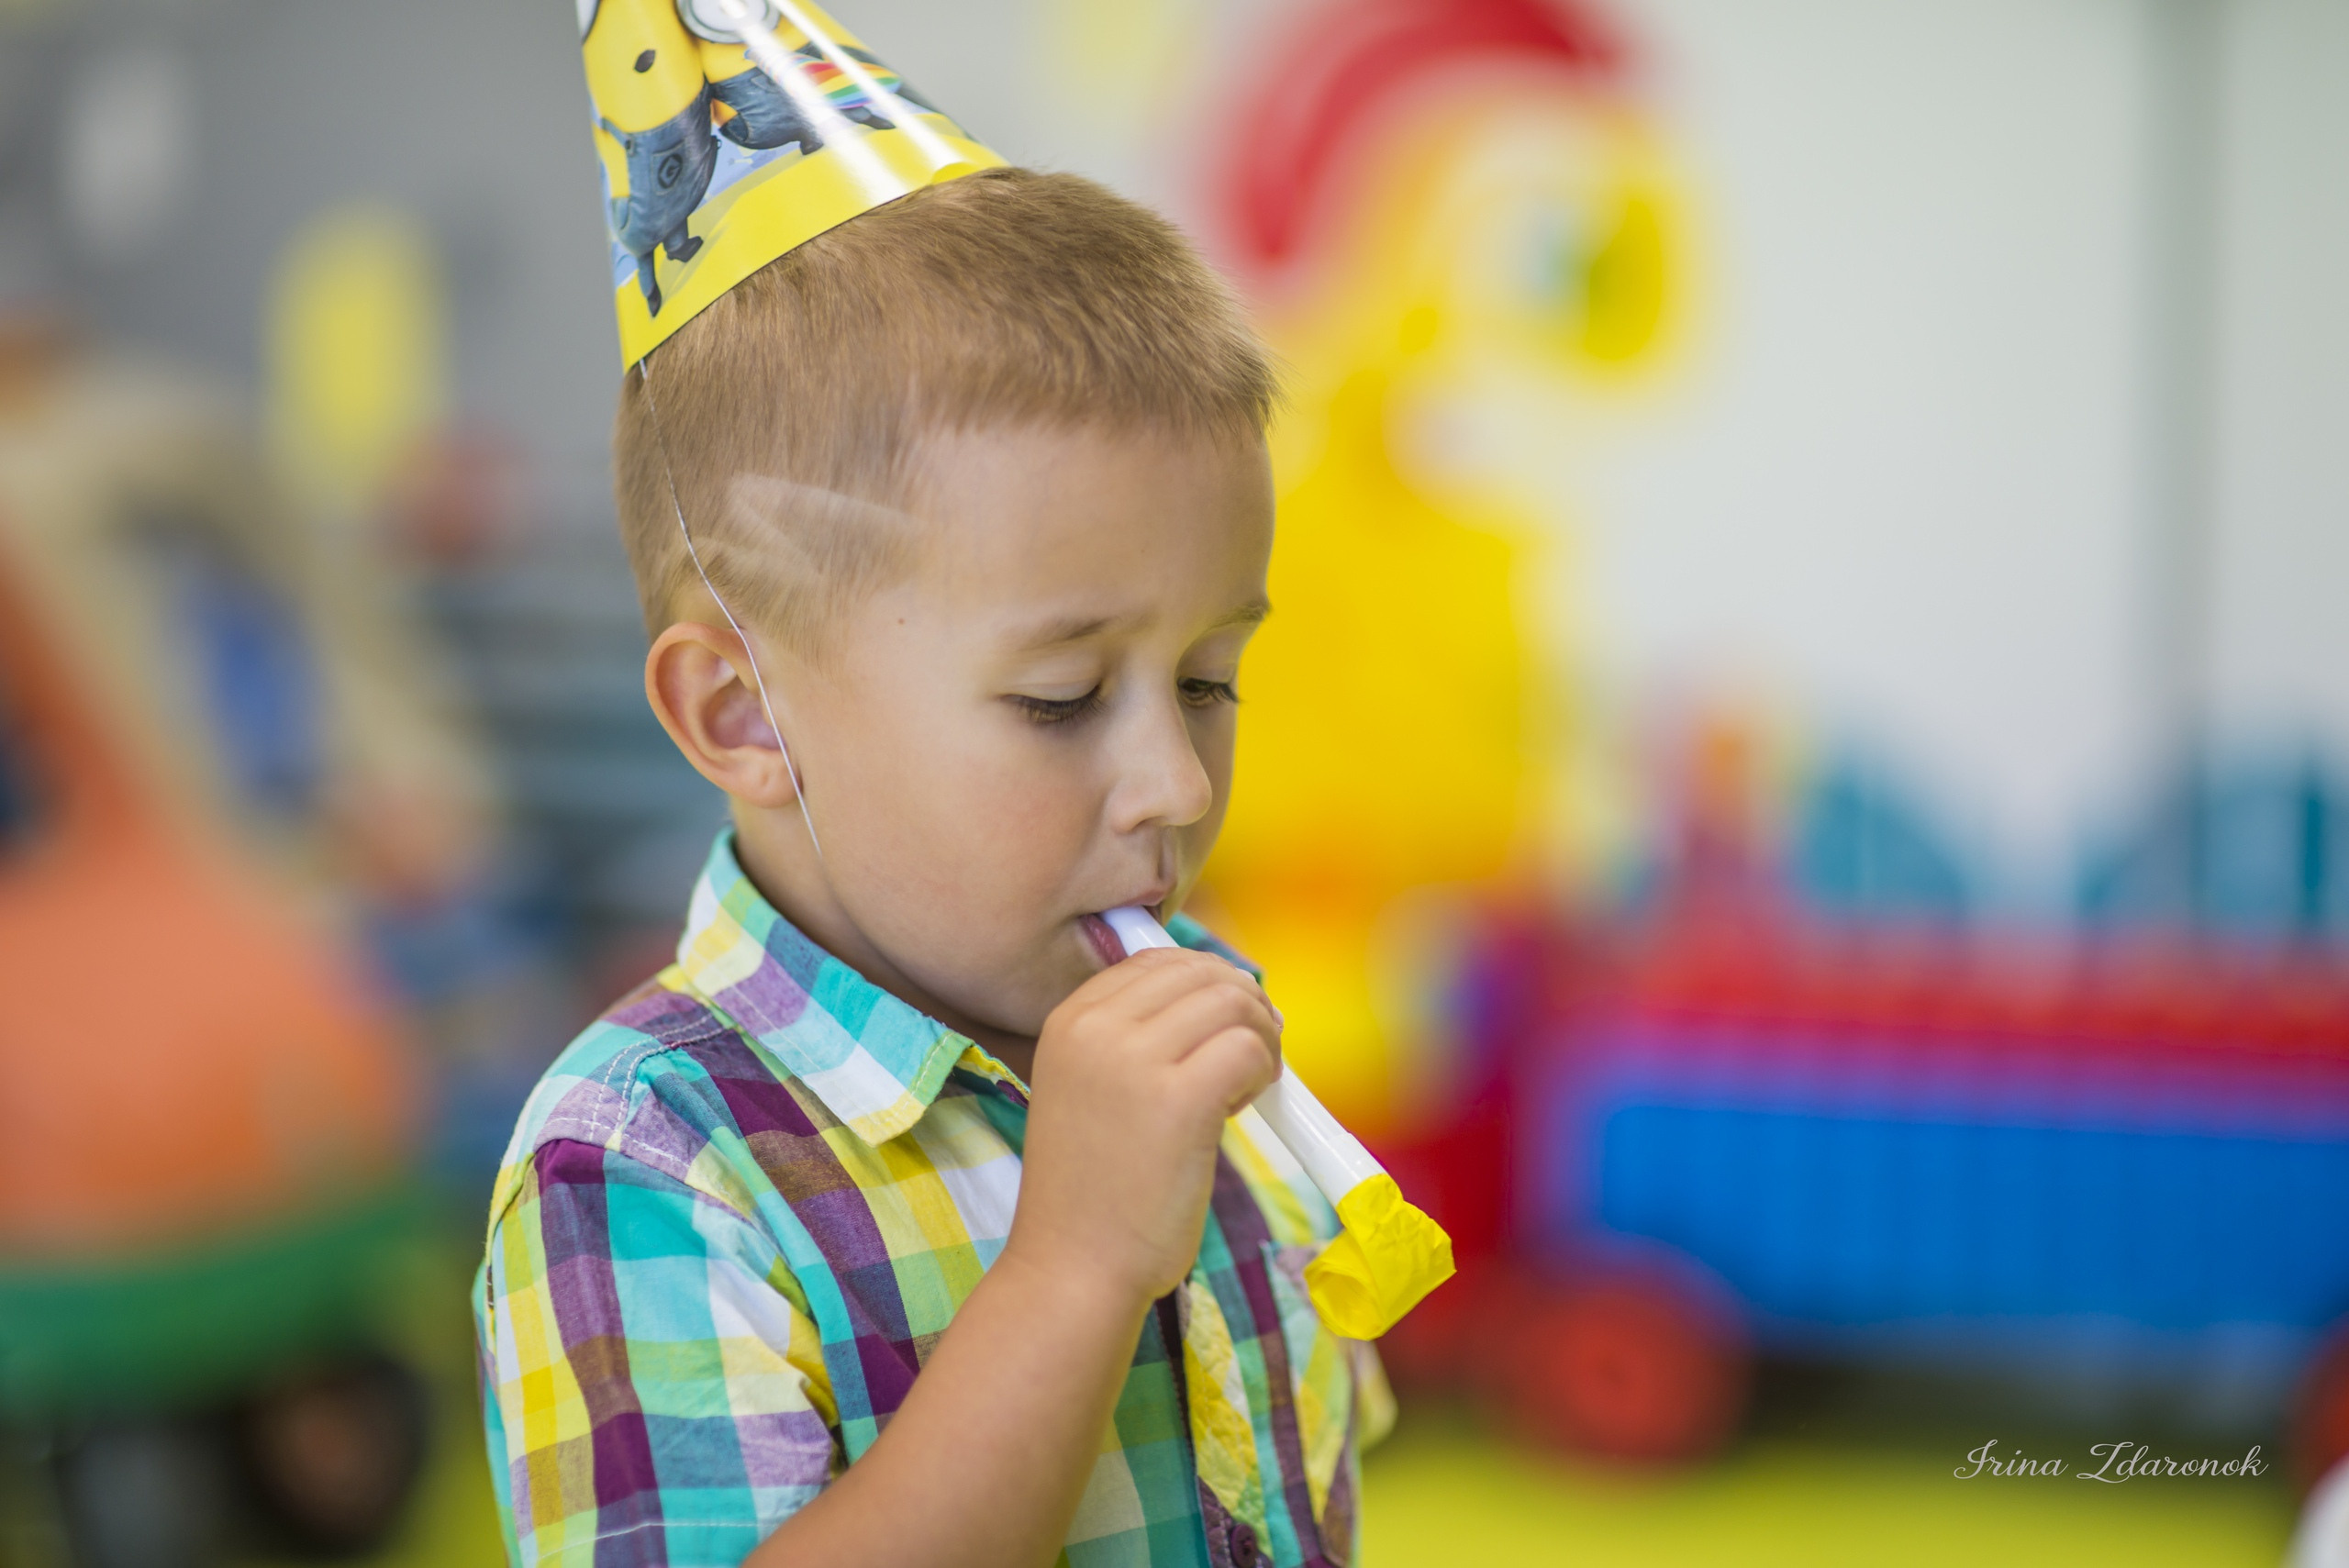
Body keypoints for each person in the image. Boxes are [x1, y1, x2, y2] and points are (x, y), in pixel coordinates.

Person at [473, 142, 1391, 1568]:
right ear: (744, 711)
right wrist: (1076, 1265)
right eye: (1061, 699)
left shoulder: (1199, 1029)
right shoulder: (644, 1159)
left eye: (1211, 678)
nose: (1175, 782)